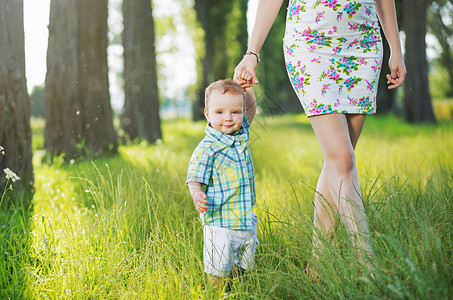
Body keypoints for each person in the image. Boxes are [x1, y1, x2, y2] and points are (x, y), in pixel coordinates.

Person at [234, 0, 406, 276]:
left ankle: (317, 265)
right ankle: (368, 264)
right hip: (310, 43)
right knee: (343, 159)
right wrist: (252, 53)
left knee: (338, 163)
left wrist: (396, 49)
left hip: (363, 46)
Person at [187, 78, 258, 292]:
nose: (228, 118)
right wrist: (197, 194)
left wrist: (249, 87)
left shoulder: (241, 132)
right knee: (218, 268)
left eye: (235, 112)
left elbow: (252, 109)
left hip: (245, 218)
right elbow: (194, 177)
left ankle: (239, 291)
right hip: (220, 222)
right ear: (208, 114)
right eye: (220, 112)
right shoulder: (207, 148)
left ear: (242, 113)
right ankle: (218, 293)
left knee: (244, 266)